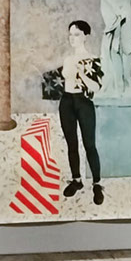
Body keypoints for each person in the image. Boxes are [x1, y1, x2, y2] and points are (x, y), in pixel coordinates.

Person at [51, 20, 104, 205]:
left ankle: (97, 184)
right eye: (70, 35)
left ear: (86, 36)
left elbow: (96, 87)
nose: (72, 38)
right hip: (67, 102)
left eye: (77, 34)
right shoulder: (67, 59)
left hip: (83, 102)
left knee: (90, 144)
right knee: (71, 144)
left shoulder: (93, 59)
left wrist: (81, 72)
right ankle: (76, 180)